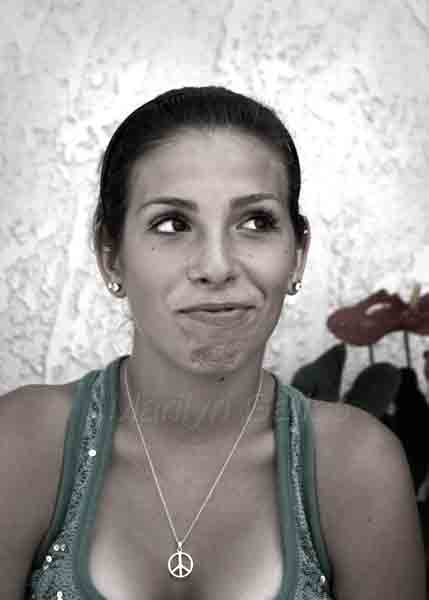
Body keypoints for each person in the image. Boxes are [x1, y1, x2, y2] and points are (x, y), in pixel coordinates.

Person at [0, 86, 425, 600]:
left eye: (256, 222)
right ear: (111, 255)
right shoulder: (22, 443)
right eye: (172, 224)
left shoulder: (355, 465)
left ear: (297, 255)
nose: (217, 267)